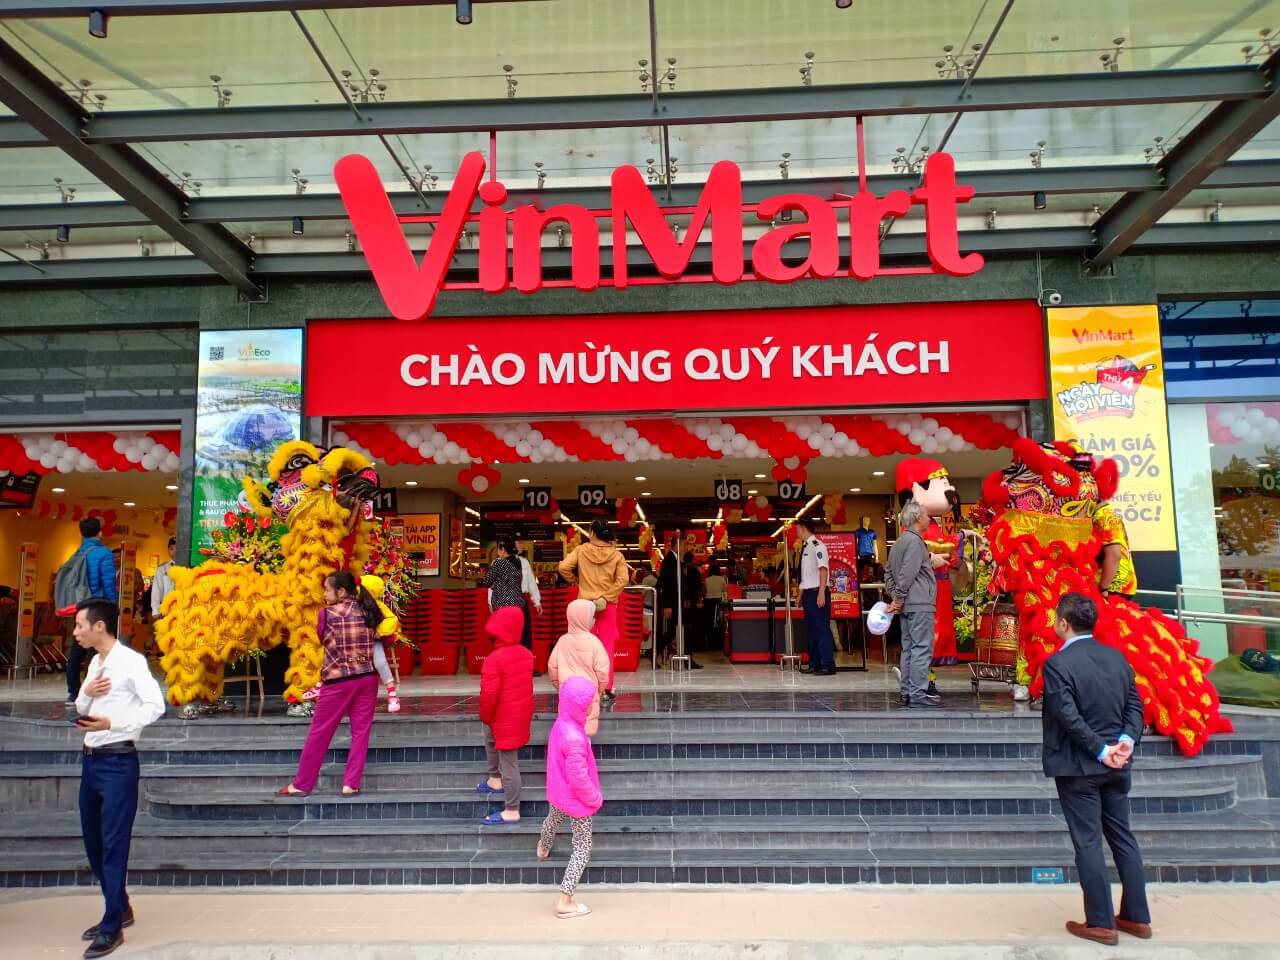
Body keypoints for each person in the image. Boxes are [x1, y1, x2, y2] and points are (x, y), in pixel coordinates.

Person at [1042, 592, 1150, 946]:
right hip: (1118, 763)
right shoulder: (1116, 657)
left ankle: (1101, 923)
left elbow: (1067, 715)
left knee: (1088, 841)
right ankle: (1137, 917)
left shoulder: (1058, 664)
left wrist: (1102, 750)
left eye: (1056, 618)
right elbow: (1135, 705)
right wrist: (1126, 741)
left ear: (1064, 623)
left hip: (1081, 766)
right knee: (1123, 837)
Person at [71, 597, 166, 960]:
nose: (76, 632)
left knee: (113, 844)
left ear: (99, 626)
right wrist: (86, 693)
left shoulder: (131, 662)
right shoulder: (96, 662)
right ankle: (120, 905)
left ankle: (111, 925)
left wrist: (114, 723)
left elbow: (155, 705)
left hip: (118, 762)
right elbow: (82, 707)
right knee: (94, 843)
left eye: (80, 625)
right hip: (91, 760)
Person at [277, 571, 381, 798]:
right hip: (367, 678)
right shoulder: (368, 610)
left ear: (341, 591)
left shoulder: (326, 614)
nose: (324, 594)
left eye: (326, 589)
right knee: (361, 733)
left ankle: (302, 784)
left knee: (320, 733)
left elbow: (321, 638)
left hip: (338, 680)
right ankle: (350, 783)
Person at [537, 675, 604, 920]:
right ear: (581, 707)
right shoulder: (574, 738)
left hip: (559, 792)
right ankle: (566, 899)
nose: (592, 707)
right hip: (578, 801)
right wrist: (594, 798)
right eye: (590, 703)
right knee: (582, 847)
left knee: (553, 819)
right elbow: (579, 779)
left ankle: (543, 847)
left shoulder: (562, 723)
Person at [300, 574, 402, 713]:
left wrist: (378, 631)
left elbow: (391, 619)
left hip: (373, 640)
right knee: (332, 656)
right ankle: (320, 684)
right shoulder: (353, 605)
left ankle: (392, 693)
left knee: (380, 662)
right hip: (357, 643)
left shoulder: (376, 605)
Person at [558, 519, 630, 702]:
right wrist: (606, 597)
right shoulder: (617, 555)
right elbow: (623, 580)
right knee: (607, 646)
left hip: (584, 605)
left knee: (583, 647)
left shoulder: (581, 550)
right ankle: (605, 688)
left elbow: (563, 567)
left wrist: (575, 581)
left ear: (592, 533)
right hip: (607, 605)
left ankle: (585, 687)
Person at [477, 606, 535, 824]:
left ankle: (512, 809)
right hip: (518, 714)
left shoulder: (494, 659)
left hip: (502, 716)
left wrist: (486, 716)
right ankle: (494, 779)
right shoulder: (526, 654)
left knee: (509, 762)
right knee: (491, 740)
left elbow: (489, 695)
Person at [58, 518, 119, 706]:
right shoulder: (104, 553)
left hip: (80, 607)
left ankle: (73, 693)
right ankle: (93, 693)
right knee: (98, 649)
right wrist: (113, 604)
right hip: (98, 606)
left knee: (77, 649)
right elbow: (108, 581)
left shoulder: (77, 553)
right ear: (100, 532)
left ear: (81, 533)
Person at [886, 501, 941, 707]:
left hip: (907, 606)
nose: (929, 518)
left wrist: (895, 597)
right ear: (918, 518)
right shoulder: (916, 542)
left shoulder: (898, 542)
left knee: (908, 649)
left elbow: (889, 573)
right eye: (926, 515)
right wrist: (898, 598)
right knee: (921, 648)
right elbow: (908, 574)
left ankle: (907, 693)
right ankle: (918, 694)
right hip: (919, 603)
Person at [548, 598, 610, 735]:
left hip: (567, 692)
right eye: (592, 617)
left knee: (569, 729)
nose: (594, 619)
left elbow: (552, 667)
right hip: (589, 694)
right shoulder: (594, 642)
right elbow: (602, 671)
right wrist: (598, 690)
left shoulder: (562, 641)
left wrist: (561, 686)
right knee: (586, 729)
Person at [795, 516, 835, 676]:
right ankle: (815, 663)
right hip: (808, 593)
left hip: (818, 592)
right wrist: (800, 594)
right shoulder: (805, 547)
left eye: (797, 528)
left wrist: (821, 592)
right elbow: (805, 576)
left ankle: (827, 664)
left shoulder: (818, 546)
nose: (796, 531)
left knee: (821, 629)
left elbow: (823, 569)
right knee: (811, 630)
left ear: (804, 528)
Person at [1094, 502, 1138, 601]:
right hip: (1113, 583)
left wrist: (1103, 588)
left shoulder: (1103, 516)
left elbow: (1114, 555)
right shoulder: (1103, 513)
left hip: (1113, 585)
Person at [149, 537, 177, 624]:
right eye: (172, 548)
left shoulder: (188, 567)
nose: (175, 551)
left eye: (177, 548)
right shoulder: (162, 569)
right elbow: (157, 589)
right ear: (168, 550)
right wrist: (155, 610)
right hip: (167, 610)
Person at [703, 560, 727, 650]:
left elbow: (704, 592)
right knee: (718, 623)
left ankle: (710, 644)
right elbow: (725, 591)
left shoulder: (707, 580)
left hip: (707, 602)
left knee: (708, 623)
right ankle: (718, 644)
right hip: (718, 602)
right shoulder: (722, 579)